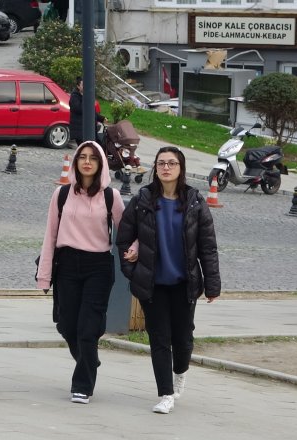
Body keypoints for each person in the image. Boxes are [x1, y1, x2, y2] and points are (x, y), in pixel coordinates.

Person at [115, 146, 221, 415]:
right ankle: (165, 393)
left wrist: (212, 285)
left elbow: (208, 247)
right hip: (153, 284)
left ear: (180, 168)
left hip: (184, 283)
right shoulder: (143, 200)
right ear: (155, 168)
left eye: (171, 163)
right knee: (159, 339)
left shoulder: (195, 202)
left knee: (183, 339)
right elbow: (124, 238)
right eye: (161, 163)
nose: (165, 168)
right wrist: (132, 271)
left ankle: (181, 371)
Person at [36, 140, 126, 405]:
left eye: (93, 158)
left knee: (88, 328)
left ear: (101, 164)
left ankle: (82, 385)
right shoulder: (61, 195)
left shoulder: (112, 196)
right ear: (76, 162)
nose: (87, 162)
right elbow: (50, 235)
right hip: (66, 265)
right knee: (66, 325)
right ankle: (90, 360)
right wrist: (45, 274)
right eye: (82, 157)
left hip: (98, 266)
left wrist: (133, 249)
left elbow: (127, 231)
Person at [68, 76, 105, 147]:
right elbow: (80, 109)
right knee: (84, 149)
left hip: (89, 129)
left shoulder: (87, 96)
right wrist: (85, 97)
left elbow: (91, 112)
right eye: (83, 85)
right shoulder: (75, 97)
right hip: (80, 131)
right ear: (78, 86)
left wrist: (101, 118)